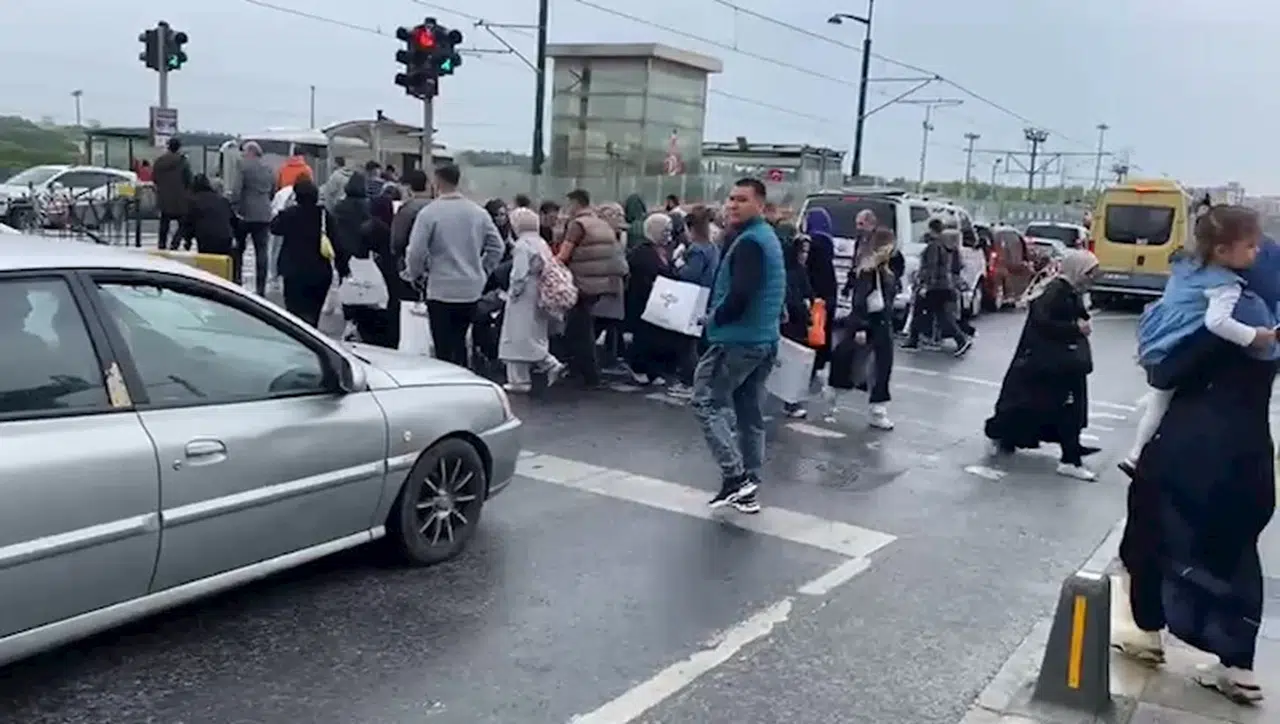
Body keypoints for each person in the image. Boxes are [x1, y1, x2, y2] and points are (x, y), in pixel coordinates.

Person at [1116, 274, 1279, 705]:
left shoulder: (1211, 332)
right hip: (1251, 458)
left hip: (1188, 453)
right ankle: (1238, 666)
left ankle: (1146, 632)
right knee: (1236, 555)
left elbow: (1163, 373)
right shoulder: (1267, 334)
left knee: (1152, 534)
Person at [1122, 205, 1276, 475]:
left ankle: (1135, 455)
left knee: (1160, 399)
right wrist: (1254, 337)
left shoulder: (1187, 266)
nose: (1258, 251)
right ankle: (1139, 456)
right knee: (1167, 401)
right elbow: (1216, 323)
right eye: (1250, 246)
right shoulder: (1224, 285)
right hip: (1177, 345)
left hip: (1156, 338)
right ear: (1221, 251)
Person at [692, 178, 786, 513]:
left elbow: (741, 294)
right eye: (730, 198)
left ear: (760, 205)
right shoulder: (767, 238)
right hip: (762, 338)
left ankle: (736, 477)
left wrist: (713, 319)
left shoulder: (749, 242)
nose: (733, 205)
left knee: (705, 402)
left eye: (742, 200)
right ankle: (749, 486)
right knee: (749, 413)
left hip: (737, 340)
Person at [983, 249, 1101, 481]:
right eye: (1090, 274)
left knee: (1049, 407)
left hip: (1056, 363)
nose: (1092, 279)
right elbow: (1042, 322)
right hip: (1049, 364)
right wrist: (1075, 328)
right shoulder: (1057, 291)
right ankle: (1069, 456)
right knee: (1060, 407)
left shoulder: (1069, 290)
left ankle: (1068, 449)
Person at [403, 164, 505, 367]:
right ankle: (463, 375)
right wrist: (482, 270)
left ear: (438, 181)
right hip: (470, 289)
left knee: (443, 345)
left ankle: (447, 381)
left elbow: (416, 252)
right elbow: (497, 247)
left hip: (441, 288)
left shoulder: (429, 213)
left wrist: (415, 274)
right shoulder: (478, 213)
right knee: (460, 340)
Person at [556, 189, 628, 388]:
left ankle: (589, 375)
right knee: (578, 328)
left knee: (580, 330)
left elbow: (564, 254)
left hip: (581, 283)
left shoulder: (577, 225)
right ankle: (578, 369)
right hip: (600, 285)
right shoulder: (601, 224)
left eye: (568, 204)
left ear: (576, 203)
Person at [828, 226, 898, 430]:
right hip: (874, 323)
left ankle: (842, 393)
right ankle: (875, 408)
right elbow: (861, 301)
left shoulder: (876, 268)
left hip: (877, 323)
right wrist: (862, 326)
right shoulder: (871, 271)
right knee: (873, 365)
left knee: (870, 364)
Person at [499, 207, 567, 392]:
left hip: (523, 294)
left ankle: (522, 378)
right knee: (534, 333)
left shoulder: (522, 245)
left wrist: (512, 293)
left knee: (516, 335)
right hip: (538, 292)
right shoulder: (540, 243)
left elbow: (519, 274)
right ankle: (546, 364)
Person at [668, 204, 720, 399]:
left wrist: (678, 264)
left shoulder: (697, 250)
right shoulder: (712, 247)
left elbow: (690, 275)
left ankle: (689, 382)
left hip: (693, 299)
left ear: (690, 229)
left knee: (688, 343)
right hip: (708, 297)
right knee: (700, 343)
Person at [904, 218, 972, 356]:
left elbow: (932, 267)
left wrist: (925, 285)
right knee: (940, 315)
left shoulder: (933, 246)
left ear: (931, 229)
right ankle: (914, 340)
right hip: (943, 285)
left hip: (934, 286)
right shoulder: (944, 244)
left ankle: (914, 340)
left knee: (923, 311)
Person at [625, 212, 678, 385]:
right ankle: (639, 368)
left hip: (658, 301)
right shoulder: (641, 253)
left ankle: (652, 370)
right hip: (642, 300)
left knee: (655, 337)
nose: (668, 235)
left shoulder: (663, 251)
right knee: (643, 337)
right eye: (664, 231)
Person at [270, 178, 332, 327]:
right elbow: (336, 241)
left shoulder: (290, 214)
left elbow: (274, 227)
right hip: (320, 271)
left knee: (294, 316)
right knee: (313, 316)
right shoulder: (324, 215)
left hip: (294, 271)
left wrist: (286, 207)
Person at [230, 141, 275, 294]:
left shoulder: (243, 165)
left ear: (250, 152)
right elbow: (273, 189)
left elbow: (237, 189)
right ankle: (260, 288)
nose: (243, 154)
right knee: (261, 251)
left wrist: (234, 205)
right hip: (264, 214)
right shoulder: (269, 168)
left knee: (238, 250)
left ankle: (236, 283)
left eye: (244, 151)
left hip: (245, 213)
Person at [780, 233, 815, 418]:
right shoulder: (792, 272)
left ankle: (790, 402)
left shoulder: (798, 270)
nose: (805, 255)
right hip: (792, 321)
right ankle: (791, 403)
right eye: (803, 251)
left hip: (795, 320)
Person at [151, 137, 192, 251]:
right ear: (179, 148)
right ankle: (175, 243)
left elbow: (154, 178)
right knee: (183, 224)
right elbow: (188, 180)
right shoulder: (182, 162)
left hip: (164, 198)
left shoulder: (159, 161)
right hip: (180, 199)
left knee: (164, 223)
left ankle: (162, 245)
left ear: (168, 147)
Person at [390, 169, 432, 275]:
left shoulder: (407, 210)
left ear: (408, 188)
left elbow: (397, 241)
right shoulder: (437, 206)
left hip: (410, 264)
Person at [182, 174, 235, 256]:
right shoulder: (222, 200)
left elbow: (188, 223)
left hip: (206, 238)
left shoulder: (193, 201)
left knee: (207, 262)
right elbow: (233, 220)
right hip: (225, 238)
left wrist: (188, 241)